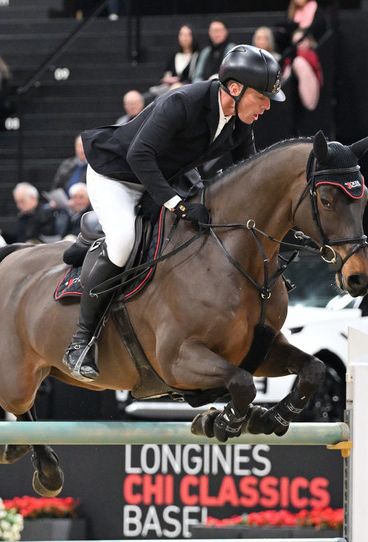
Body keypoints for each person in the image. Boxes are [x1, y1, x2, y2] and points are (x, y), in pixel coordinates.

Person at [65, 44, 285, 382]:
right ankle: (80, 342)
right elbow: (140, 156)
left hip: (165, 175)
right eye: (263, 97)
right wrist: (178, 205)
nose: (268, 106)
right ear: (235, 89)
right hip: (118, 175)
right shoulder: (182, 102)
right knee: (124, 241)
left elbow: (249, 173)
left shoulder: (241, 121)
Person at [149, 25, 199, 97]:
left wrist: (179, 81)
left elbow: (194, 77)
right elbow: (166, 73)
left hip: (187, 89)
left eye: (187, 35)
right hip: (168, 87)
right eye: (182, 35)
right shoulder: (174, 56)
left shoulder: (197, 56)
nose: (184, 38)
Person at [282, 30, 322, 112]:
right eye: (295, 42)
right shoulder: (291, 59)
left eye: (301, 40)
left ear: (308, 41)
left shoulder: (304, 59)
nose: (299, 44)